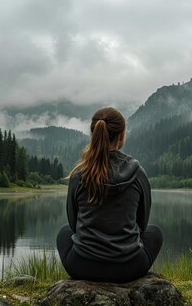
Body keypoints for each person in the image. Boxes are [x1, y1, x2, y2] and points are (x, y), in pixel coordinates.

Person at [56, 107, 163, 283]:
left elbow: (73, 223)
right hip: (129, 268)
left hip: (82, 267)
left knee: (64, 232)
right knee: (154, 232)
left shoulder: (80, 174)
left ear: (93, 134)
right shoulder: (137, 172)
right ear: (121, 136)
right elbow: (142, 224)